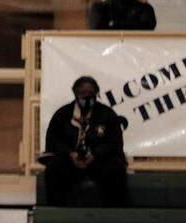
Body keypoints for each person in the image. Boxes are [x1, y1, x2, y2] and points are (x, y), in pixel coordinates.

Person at [41, 76, 128, 206]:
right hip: (70, 162)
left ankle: (114, 215)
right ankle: (57, 214)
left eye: (91, 93)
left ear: (97, 93)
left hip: (98, 162)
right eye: (83, 93)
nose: (87, 97)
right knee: (54, 168)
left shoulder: (107, 114)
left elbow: (115, 143)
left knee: (116, 168)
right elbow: (53, 141)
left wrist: (95, 154)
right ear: (75, 93)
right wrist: (70, 154)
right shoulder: (62, 114)